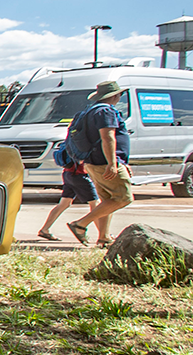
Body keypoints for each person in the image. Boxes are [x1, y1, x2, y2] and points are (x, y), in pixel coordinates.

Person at [67, 80, 132, 246]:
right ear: (115, 95)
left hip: (92, 162)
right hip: (104, 163)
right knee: (123, 198)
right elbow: (107, 137)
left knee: (107, 200)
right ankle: (80, 224)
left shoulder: (91, 111)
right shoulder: (106, 111)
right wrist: (113, 163)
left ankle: (103, 237)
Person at [37, 160, 97, 240]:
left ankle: (45, 229)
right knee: (96, 204)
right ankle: (103, 235)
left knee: (64, 203)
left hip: (68, 173)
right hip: (80, 174)